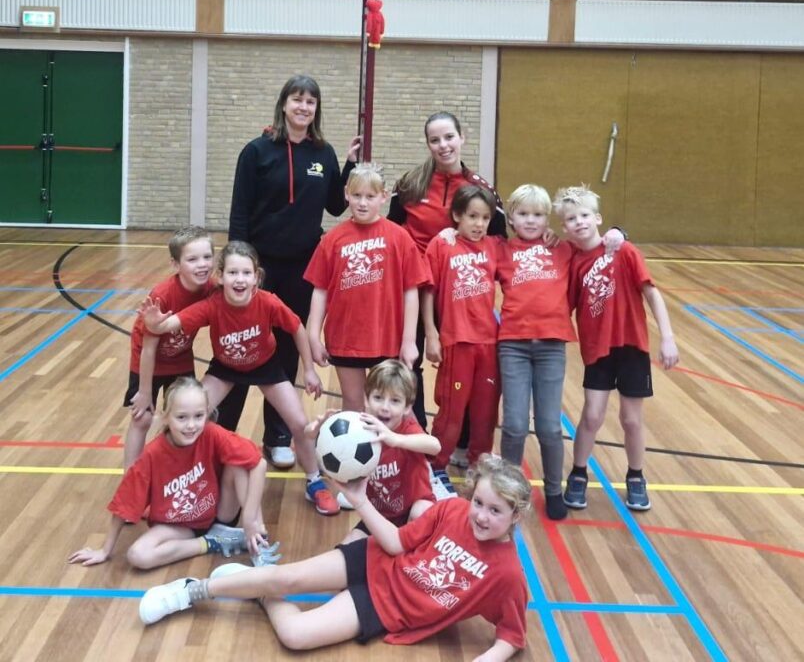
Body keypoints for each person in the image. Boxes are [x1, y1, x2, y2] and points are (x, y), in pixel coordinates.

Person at [139, 454, 531, 662]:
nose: (481, 515)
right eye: (478, 502)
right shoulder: (452, 511)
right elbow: (396, 543)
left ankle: (257, 591)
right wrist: (359, 499)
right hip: (376, 560)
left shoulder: (508, 574)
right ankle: (191, 590)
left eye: (495, 510)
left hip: (387, 607)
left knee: (295, 636)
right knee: (285, 577)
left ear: (516, 516)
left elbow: (512, 635)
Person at [222, 74, 360, 470]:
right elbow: (239, 211)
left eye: (310, 102)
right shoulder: (256, 151)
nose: (303, 107)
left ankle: (278, 436)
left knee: (285, 349)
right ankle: (224, 434)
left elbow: (335, 205)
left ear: (316, 109)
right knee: (243, 344)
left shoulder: (322, 153)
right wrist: (238, 265)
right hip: (260, 266)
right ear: (284, 104)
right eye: (297, 99)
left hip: (302, 266)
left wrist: (349, 164)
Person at [142, 241, 340, 516]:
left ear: (256, 277)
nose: (239, 279)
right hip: (226, 368)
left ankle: (315, 482)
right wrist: (155, 324)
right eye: (233, 273)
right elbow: (171, 323)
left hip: (266, 364)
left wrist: (308, 370)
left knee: (299, 423)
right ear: (220, 277)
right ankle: (168, 482)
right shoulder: (211, 305)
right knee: (187, 414)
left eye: (246, 273)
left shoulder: (268, 301)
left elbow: (297, 328)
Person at [553, 185, 679, 512]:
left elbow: (652, 293)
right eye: (571, 219)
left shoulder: (624, 250)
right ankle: (578, 474)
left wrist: (667, 336)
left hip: (632, 346)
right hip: (597, 350)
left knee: (631, 419)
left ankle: (636, 477)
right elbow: (565, 305)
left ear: (598, 218)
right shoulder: (573, 261)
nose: (579, 222)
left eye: (584, 215)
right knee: (592, 415)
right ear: (565, 227)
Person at [69, 378, 277, 570]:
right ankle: (211, 542)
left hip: (220, 513)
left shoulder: (211, 432)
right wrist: (105, 550)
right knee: (137, 555)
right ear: (165, 417)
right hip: (180, 526)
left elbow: (259, 464)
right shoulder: (152, 454)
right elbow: (125, 502)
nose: (191, 425)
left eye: (199, 416)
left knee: (240, 462)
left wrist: (250, 520)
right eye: (181, 417)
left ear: (207, 413)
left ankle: (258, 540)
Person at [388, 111, 506, 446]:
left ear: (461, 137)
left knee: (464, 367)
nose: (443, 145)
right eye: (435, 140)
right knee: (408, 359)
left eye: (449, 137)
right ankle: (413, 433)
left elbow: (502, 239)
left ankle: (462, 441)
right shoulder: (409, 185)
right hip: (413, 290)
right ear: (428, 144)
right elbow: (391, 230)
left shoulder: (481, 189)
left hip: (459, 294)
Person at [305, 163, 428, 411]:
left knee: (388, 407)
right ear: (346, 194)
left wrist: (409, 341)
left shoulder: (399, 237)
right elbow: (320, 291)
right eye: (357, 195)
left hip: (387, 339)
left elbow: (411, 291)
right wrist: (313, 336)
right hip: (345, 338)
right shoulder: (332, 239)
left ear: (383, 197)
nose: (362, 203)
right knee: (353, 403)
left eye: (370, 196)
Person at [494, 185, 577, 521]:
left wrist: (618, 233)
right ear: (511, 217)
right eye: (524, 214)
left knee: (549, 427)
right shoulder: (501, 250)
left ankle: (553, 490)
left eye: (539, 215)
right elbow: (467, 245)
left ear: (547, 219)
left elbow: (595, 242)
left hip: (551, 347)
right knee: (514, 425)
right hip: (513, 345)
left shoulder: (563, 249)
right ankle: (509, 490)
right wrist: (447, 234)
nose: (531, 220)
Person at [306, 360, 440, 544]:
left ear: (407, 408)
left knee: (420, 512)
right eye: (378, 398)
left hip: (413, 508)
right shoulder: (355, 427)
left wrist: (395, 439)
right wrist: (317, 428)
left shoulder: (406, 429)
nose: (385, 407)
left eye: (395, 401)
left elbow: (435, 445)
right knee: (347, 546)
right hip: (379, 514)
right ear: (366, 399)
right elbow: (308, 434)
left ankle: (413, 556)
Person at [123, 226, 216, 469]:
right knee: (142, 418)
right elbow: (148, 349)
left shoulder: (211, 289)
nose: (202, 264)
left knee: (185, 416)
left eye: (207, 257)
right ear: (175, 264)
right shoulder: (162, 295)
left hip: (181, 360)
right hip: (148, 363)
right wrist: (144, 392)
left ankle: (181, 471)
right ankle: (130, 477)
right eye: (192, 259)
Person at [423, 186, 500, 474]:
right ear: (457, 215)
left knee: (485, 412)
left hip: (489, 343)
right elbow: (427, 292)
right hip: (457, 341)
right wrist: (431, 333)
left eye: (485, 218)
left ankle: (478, 465)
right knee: (452, 411)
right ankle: (436, 467)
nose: (479, 224)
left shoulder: (494, 246)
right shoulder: (441, 245)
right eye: (472, 216)